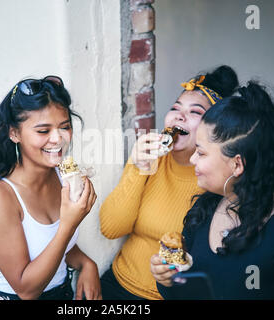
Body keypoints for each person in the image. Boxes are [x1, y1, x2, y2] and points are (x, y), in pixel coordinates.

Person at [151, 81, 274, 299]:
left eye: (201, 152)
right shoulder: (205, 207)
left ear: (237, 165)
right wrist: (167, 279)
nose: (193, 158)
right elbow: (185, 292)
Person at [99, 66, 239, 299]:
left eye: (195, 112)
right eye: (175, 108)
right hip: (117, 283)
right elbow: (111, 228)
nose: (178, 116)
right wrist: (137, 167)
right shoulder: (152, 160)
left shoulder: (216, 181)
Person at [0, 76, 101, 300]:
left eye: (64, 127)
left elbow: (45, 243)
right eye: (43, 131)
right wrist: (69, 224)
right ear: (14, 133)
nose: (58, 139)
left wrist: (85, 263)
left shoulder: (62, 176)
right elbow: (26, 289)